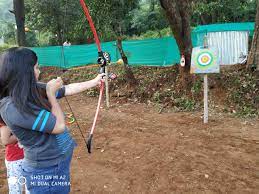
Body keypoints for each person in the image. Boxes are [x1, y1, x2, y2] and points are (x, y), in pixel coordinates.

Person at [0, 47, 105, 194]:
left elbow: (67, 89)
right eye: (36, 67)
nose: (39, 71)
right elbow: (59, 126)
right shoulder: (12, 107)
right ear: (24, 72)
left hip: (58, 162)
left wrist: (95, 81)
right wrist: (50, 94)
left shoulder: (31, 88)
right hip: (46, 170)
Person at [0, 120, 26, 194]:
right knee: (16, 188)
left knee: (30, 186)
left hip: (30, 157)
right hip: (15, 160)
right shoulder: (5, 117)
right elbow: (6, 140)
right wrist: (25, 133)